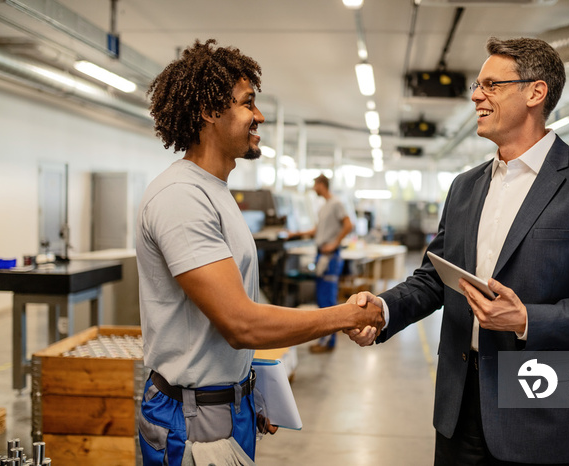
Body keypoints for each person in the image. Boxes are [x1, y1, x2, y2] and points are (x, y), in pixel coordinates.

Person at [348, 37, 569, 465]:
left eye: (491, 85)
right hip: (459, 407)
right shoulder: (465, 186)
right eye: (476, 84)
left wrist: (526, 319)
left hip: (543, 414)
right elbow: (435, 278)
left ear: (535, 93)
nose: (475, 96)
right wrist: (383, 309)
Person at [136, 39, 384, 466]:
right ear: (209, 111)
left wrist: (247, 393)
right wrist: (346, 316)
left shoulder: (215, 193)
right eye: (248, 103)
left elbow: (226, 327)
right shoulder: (181, 197)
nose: (260, 116)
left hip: (226, 406)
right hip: (191, 419)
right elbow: (239, 323)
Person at [288, 174, 354, 353]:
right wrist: (295, 234)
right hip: (321, 255)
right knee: (321, 299)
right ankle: (325, 341)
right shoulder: (324, 206)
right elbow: (317, 230)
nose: (313, 189)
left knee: (327, 301)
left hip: (330, 256)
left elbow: (349, 225)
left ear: (321, 185)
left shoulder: (336, 204)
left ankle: (328, 343)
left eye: (315, 185)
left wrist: (334, 243)